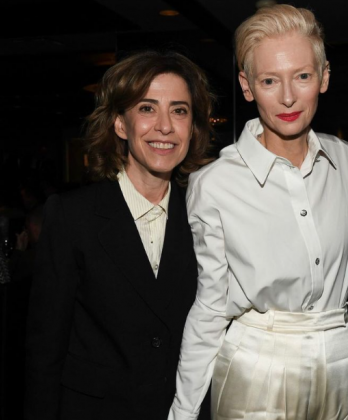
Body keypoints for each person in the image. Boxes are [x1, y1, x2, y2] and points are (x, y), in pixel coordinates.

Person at [169, 5, 348, 420]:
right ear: (247, 87)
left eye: (302, 76)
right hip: (258, 372)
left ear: (323, 78)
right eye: (270, 80)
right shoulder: (214, 185)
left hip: (340, 364)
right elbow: (211, 307)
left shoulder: (343, 162)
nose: (287, 97)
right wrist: (183, 410)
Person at [24, 50, 215, 420]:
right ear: (120, 124)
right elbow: (44, 351)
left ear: (192, 128)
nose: (164, 126)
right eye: (147, 108)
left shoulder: (207, 215)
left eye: (179, 110)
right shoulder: (72, 216)